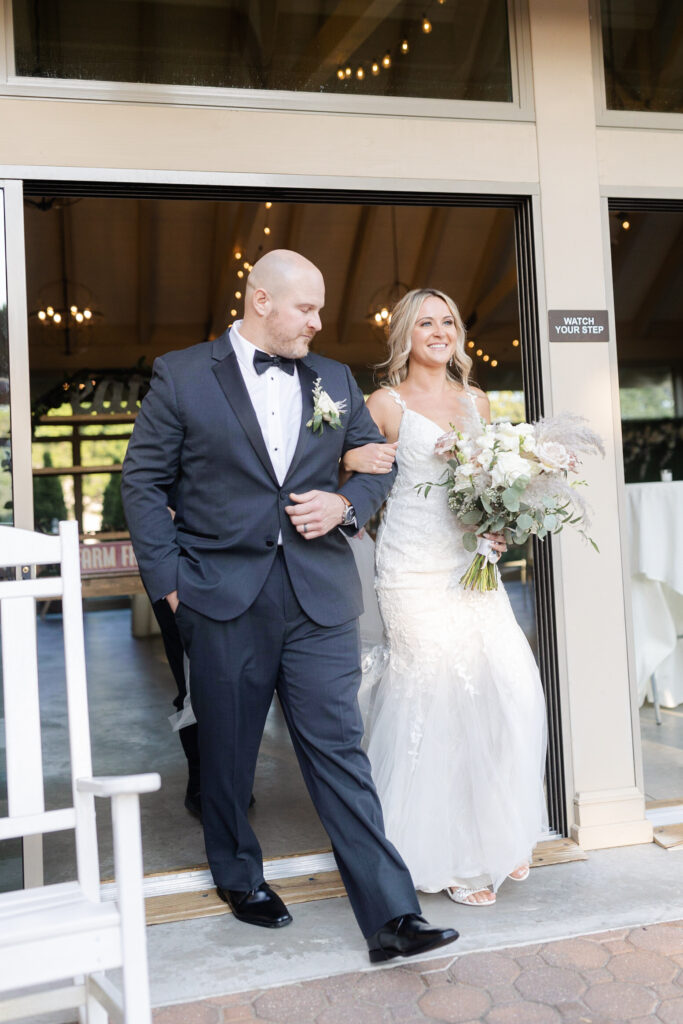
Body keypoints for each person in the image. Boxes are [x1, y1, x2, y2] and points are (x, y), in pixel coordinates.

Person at [121, 251, 458, 962]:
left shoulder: (332, 379)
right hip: (220, 596)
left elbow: (376, 463)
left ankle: (391, 915)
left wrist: (343, 503)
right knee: (228, 751)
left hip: (318, 596)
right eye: (305, 308)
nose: (317, 321)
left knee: (339, 751)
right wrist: (169, 582)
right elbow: (142, 483)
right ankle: (239, 877)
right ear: (261, 299)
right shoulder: (183, 375)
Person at [343, 288, 548, 907]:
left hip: (469, 565)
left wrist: (498, 524)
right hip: (411, 568)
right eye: (426, 322)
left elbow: (491, 480)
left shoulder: (477, 400)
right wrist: (352, 453)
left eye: (448, 321)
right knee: (437, 698)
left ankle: (498, 832)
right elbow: (341, 474)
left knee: (508, 687)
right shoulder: (385, 402)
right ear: (404, 335)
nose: (440, 331)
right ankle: (451, 858)